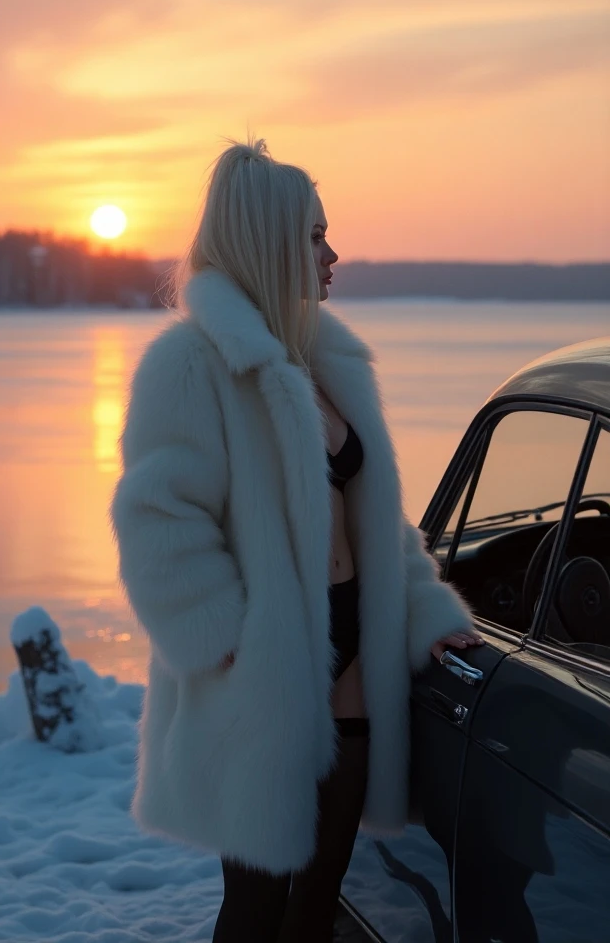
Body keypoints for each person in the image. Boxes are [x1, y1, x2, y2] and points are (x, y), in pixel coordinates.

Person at [110, 137, 483, 943]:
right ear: (268, 241)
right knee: (256, 907)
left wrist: (426, 615)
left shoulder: (328, 359)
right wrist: (220, 631)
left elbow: (376, 525)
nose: (333, 253)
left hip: (351, 646)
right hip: (265, 658)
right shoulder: (192, 364)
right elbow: (156, 518)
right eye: (315, 237)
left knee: (319, 901)